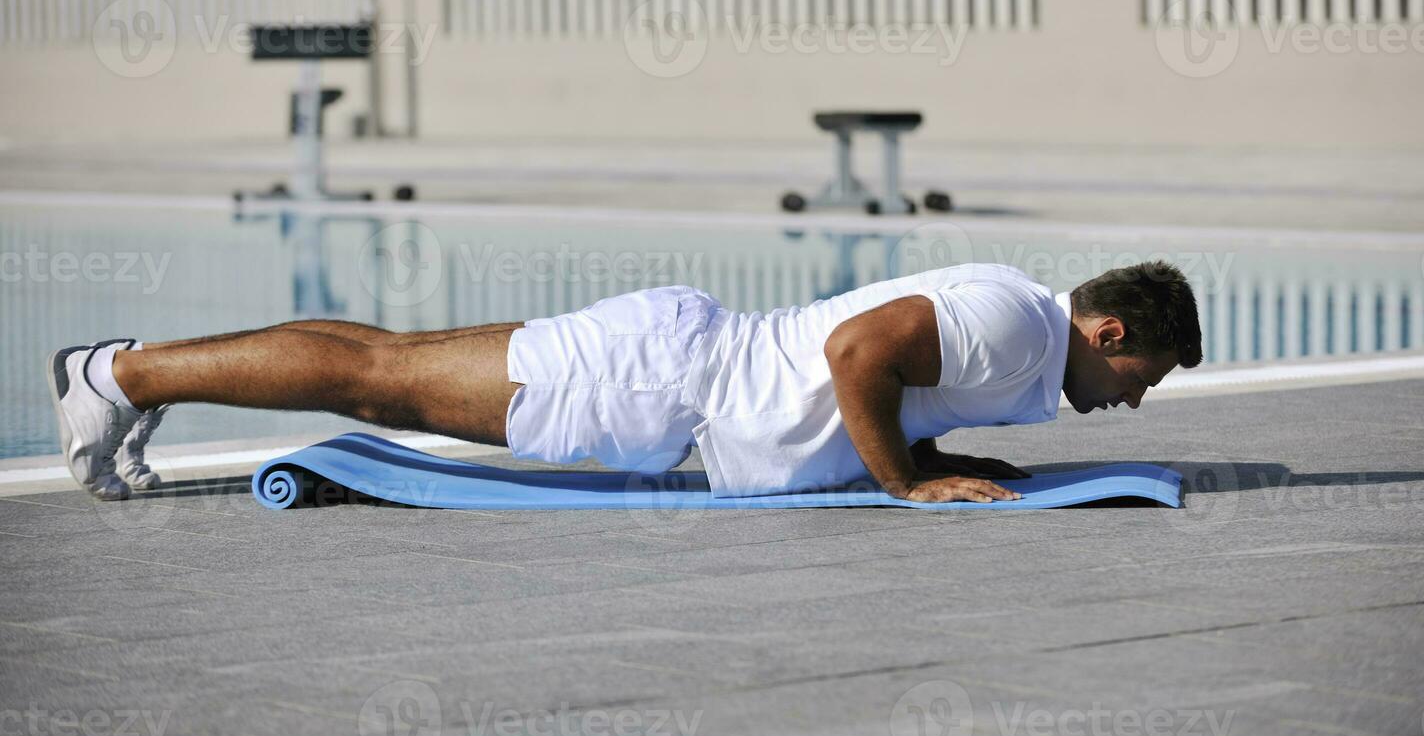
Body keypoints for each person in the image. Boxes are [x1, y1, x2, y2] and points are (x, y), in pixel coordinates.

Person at [48, 260, 1201, 504]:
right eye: (1139, 374)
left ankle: (125, 372)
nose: (1135, 399)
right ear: (1107, 328)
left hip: (668, 364)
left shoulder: (1020, 331)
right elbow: (860, 353)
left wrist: (935, 453)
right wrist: (905, 484)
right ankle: (117, 372)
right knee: (379, 383)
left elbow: (895, 373)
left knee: (384, 365)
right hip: (658, 379)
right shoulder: (1011, 320)